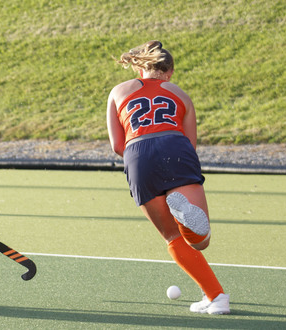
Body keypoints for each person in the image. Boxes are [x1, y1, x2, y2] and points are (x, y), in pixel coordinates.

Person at [106, 41, 230, 314]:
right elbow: (190, 144)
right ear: (170, 71)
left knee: (171, 237)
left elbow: (117, 145)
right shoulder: (180, 94)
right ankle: (189, 224)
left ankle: (217, 297)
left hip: (138, 152)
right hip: (176, 147)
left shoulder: (118, 91)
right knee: (201, 240)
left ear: (139, 68)